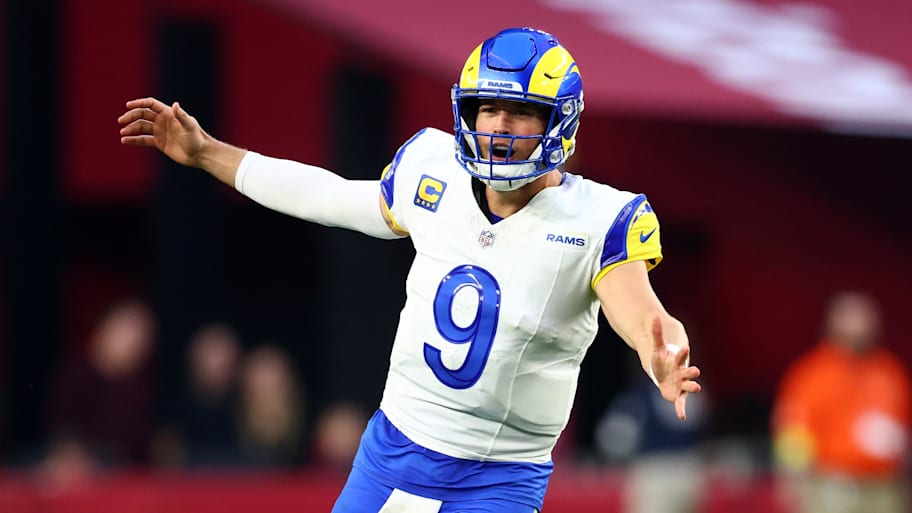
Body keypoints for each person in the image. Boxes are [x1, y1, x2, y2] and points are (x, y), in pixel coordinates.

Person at [118, 27, 701, 513]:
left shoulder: (599, 218)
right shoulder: (434, 172)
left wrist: (663, 357)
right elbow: (328, 196)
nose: (498, 127)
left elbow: (643, 316)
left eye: (519, 113)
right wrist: (207, 153)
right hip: (392, 447)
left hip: (497, 477)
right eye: (487, 108)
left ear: (560, 121)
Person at [771, 291, 911, 513]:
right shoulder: (811, 374)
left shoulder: (891, 372)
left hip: (884, 488)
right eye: (852, 315)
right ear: (833, 322)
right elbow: (793, 433)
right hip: (833, 488)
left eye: (866, 315)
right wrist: (793, 484)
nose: (861, 323)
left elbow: (904, 430)